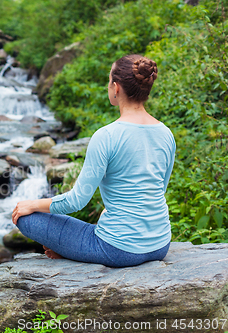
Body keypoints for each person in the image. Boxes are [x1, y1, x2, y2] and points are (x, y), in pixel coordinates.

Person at [12, 54, 176, 268]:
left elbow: (76, 201)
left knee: (25, 218)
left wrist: (32, 204)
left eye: (109, 81)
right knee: (101, 217)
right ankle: (76, 250)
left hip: (117, 250)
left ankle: (76, 252)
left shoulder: (106, 136)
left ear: (116, 88)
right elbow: (158, 189)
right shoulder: (166, 134)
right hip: (160, 244)